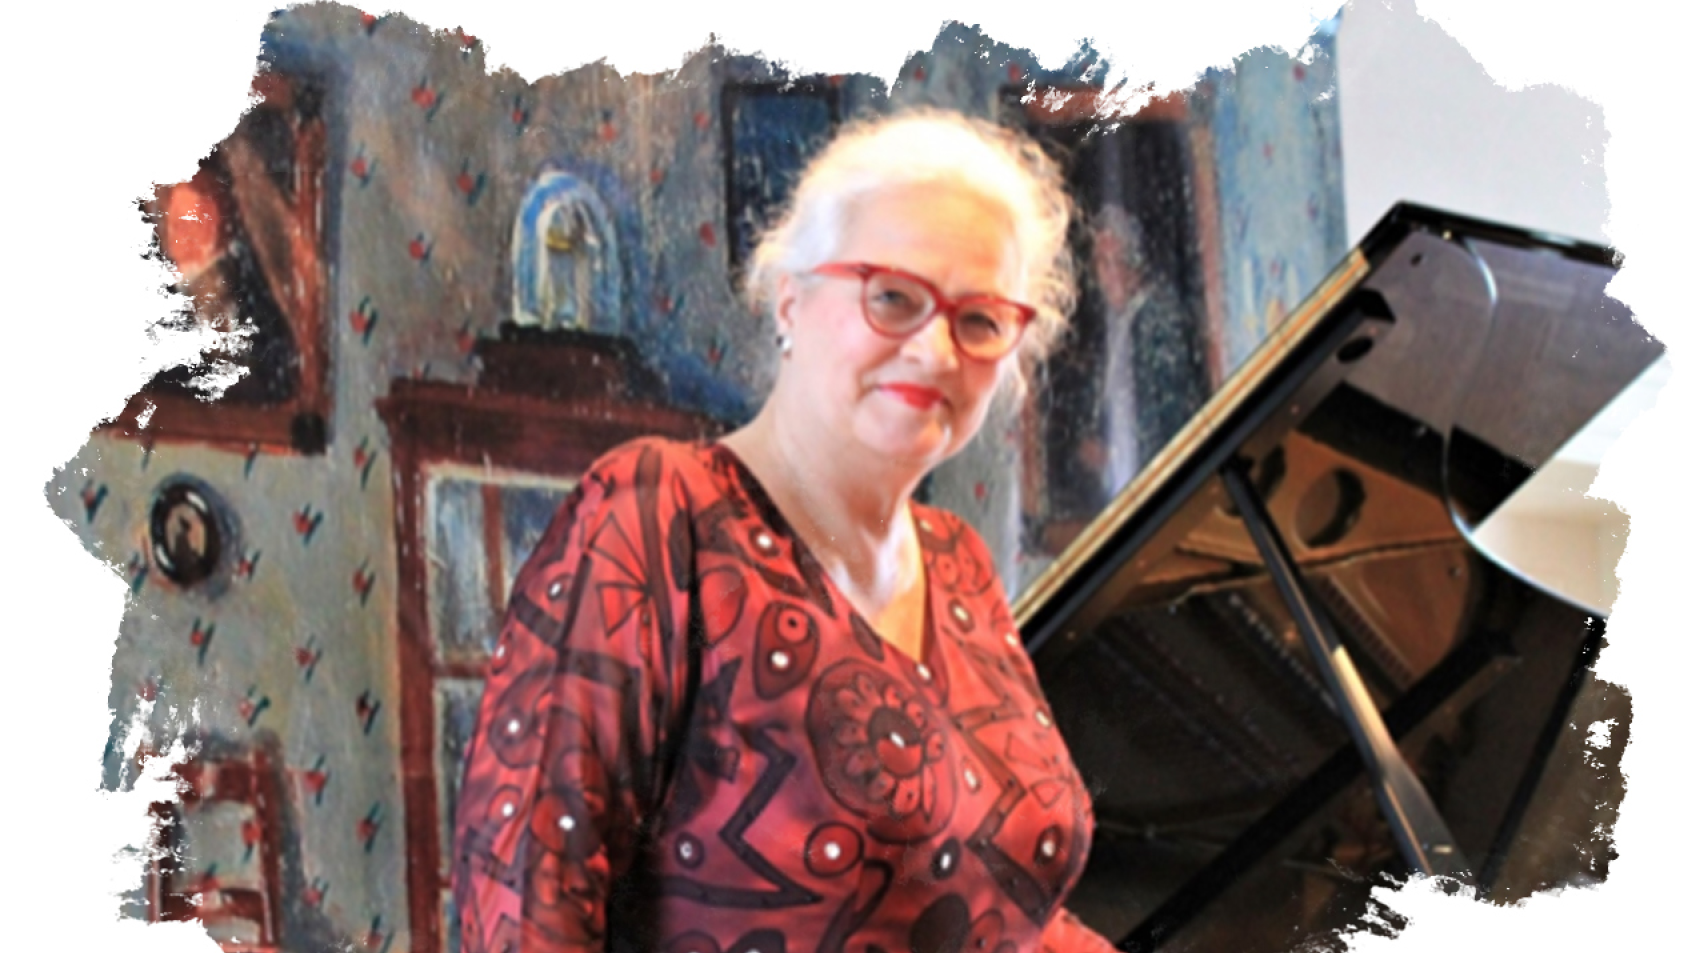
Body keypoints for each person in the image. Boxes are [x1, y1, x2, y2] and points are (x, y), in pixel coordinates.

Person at [451, 107, 1116, 953]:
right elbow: (526, 907)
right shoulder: (657, 513)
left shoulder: (959, 564)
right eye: (892, 298)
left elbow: (1004, 914)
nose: (936, 351)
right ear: (790, 299)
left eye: (979, 320)